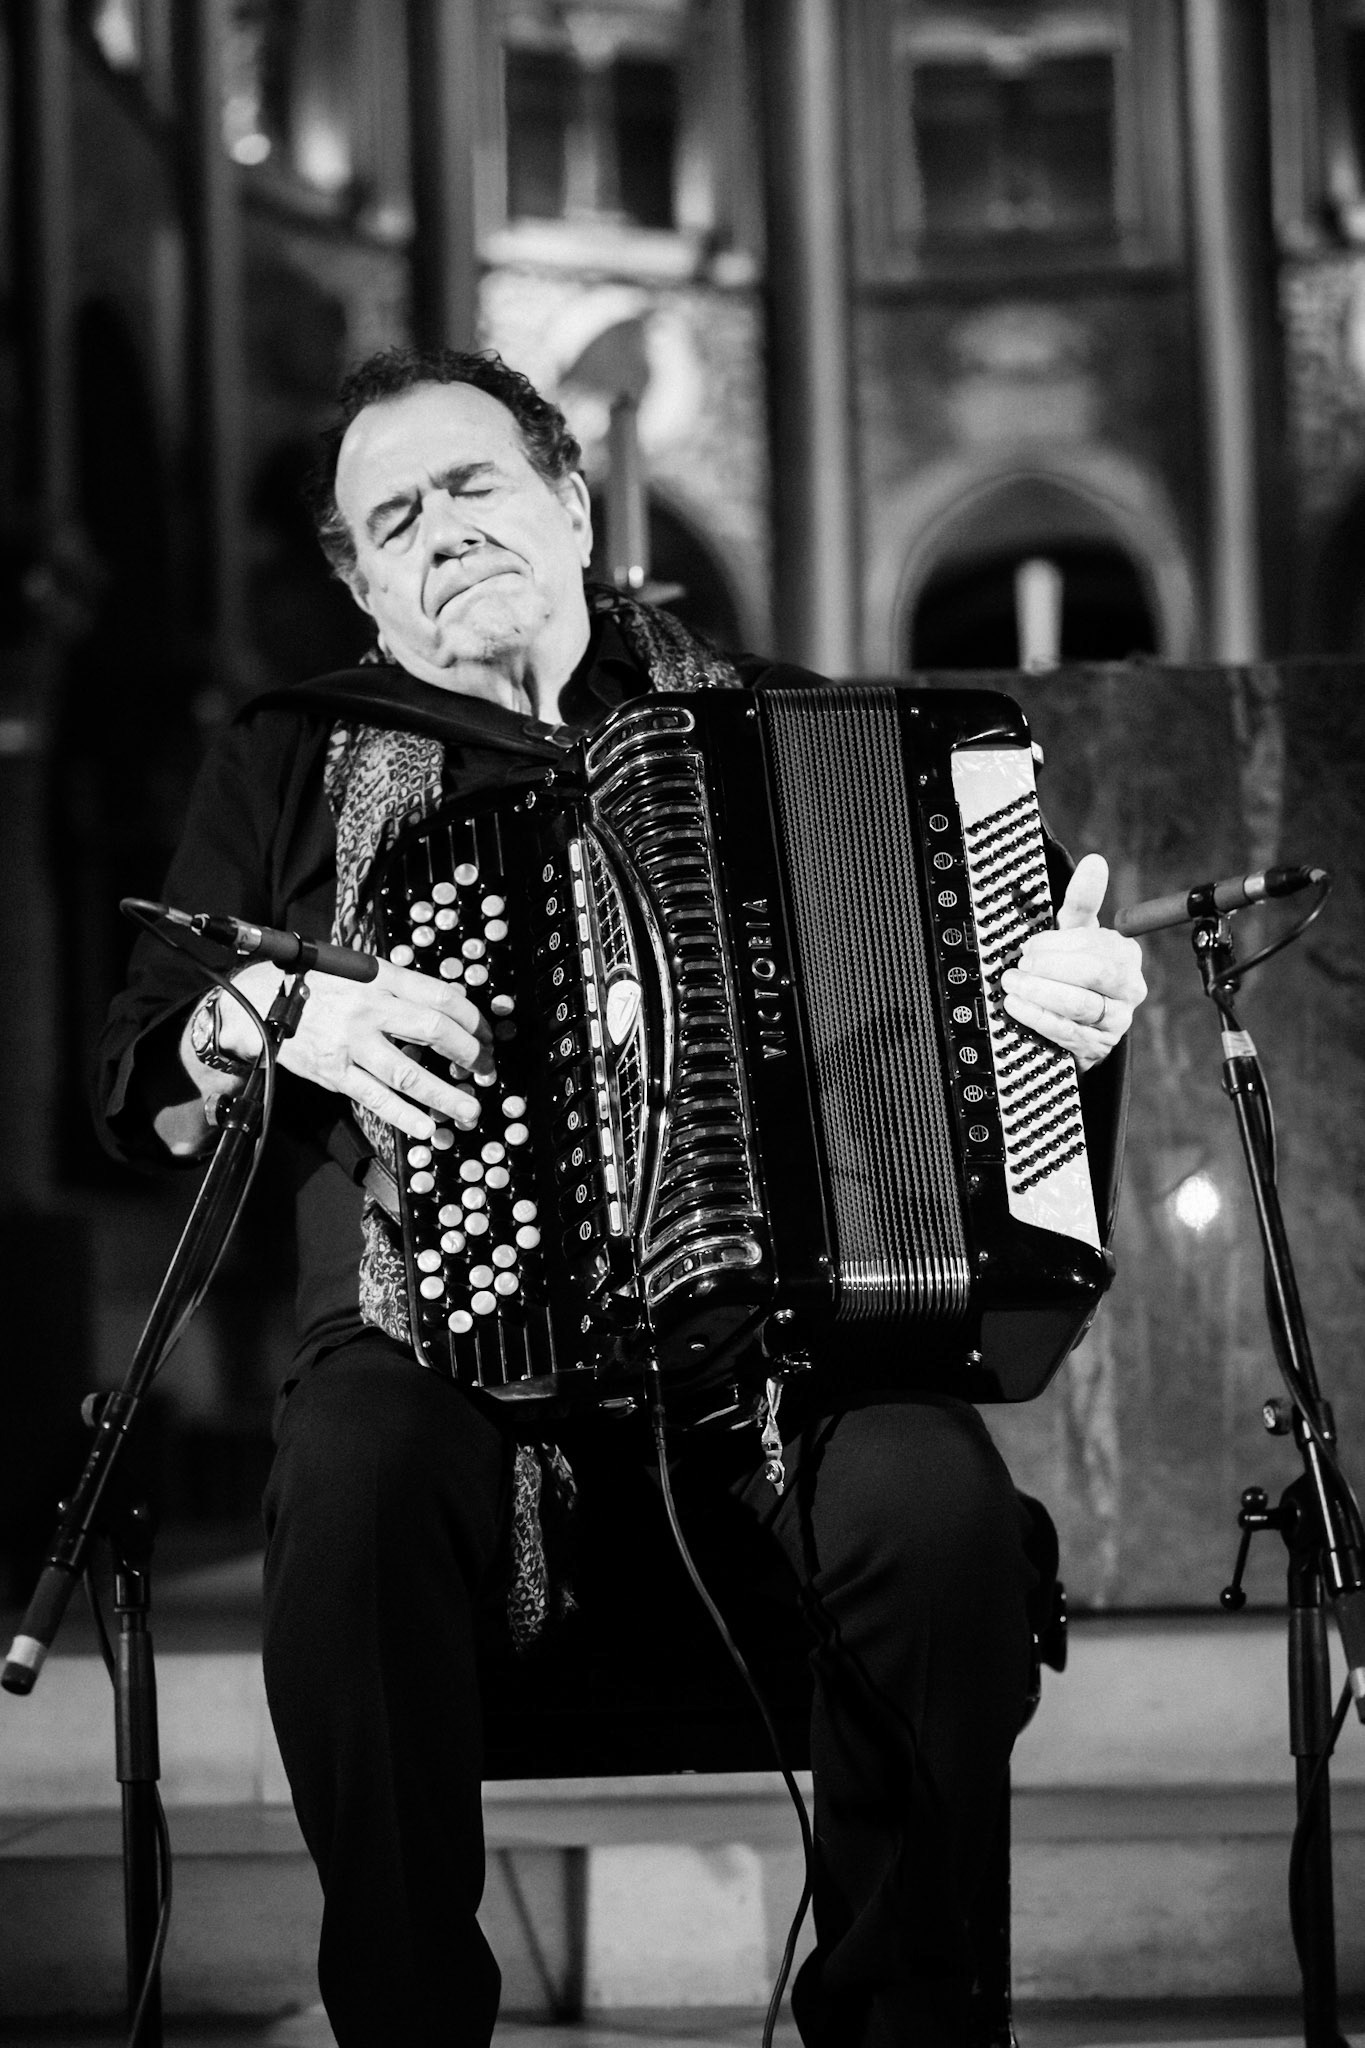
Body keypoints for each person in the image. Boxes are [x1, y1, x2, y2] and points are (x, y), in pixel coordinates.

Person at [95, 347, 1147, 2048]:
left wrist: (1056, 1034)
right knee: (352, 1466)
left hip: (770, 1368)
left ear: (570, 505)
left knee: (936, 1505)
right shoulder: (287, 767)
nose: (442, 532)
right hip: (432, 1365)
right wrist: (272, 1014)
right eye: (393, 518)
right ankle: (410, 2024)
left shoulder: (798, 730)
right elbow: (137, 1086)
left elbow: (964, 1064)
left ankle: (904, 2021)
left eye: (472, 484)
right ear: (361, 585)